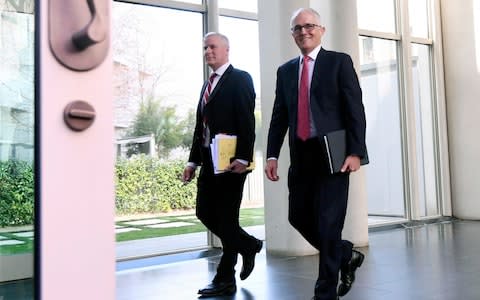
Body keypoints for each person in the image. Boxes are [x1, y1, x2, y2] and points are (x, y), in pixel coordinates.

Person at [265, 8, 367, 300]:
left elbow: (354, 110)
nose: (303, 31)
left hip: (334, 155)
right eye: (297, 28)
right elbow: (279, 116)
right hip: (301, 156)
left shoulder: (339, 62)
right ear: (292, 34)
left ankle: (324, 293)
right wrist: (272, 154)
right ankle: (345, 253)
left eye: (309, 26)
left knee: (328, 223)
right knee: (298, 216)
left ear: (321, 29)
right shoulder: (285, 71)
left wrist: (356, 151)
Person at [182, 32, 262, 297]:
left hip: (231, 164)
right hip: (208, 161)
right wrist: (192, 161)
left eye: (213, 47)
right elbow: (199, 129)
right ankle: (249, 245)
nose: (208, 51)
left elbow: (246, 121)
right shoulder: (207, 85)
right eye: (205, 48)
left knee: (227, 220)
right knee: (204, 212)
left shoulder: (240, 79)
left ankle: (225, 278)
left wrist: (243, 157)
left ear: (227, 50)